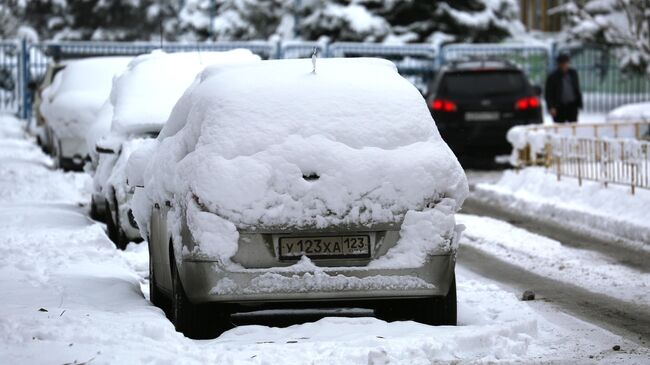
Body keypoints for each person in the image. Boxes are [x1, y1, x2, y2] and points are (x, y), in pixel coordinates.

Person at [545, 53, 583, 123]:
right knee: (559, 128)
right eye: (563, 64)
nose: (565, 65)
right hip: (559, 107)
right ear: (559, 64)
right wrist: (551, 107)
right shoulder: (553, 77)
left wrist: (579, 103)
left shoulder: (573, 74)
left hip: (572, 106)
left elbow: (576, 88)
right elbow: (548, 93)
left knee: (573, 126)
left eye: (566, 63)